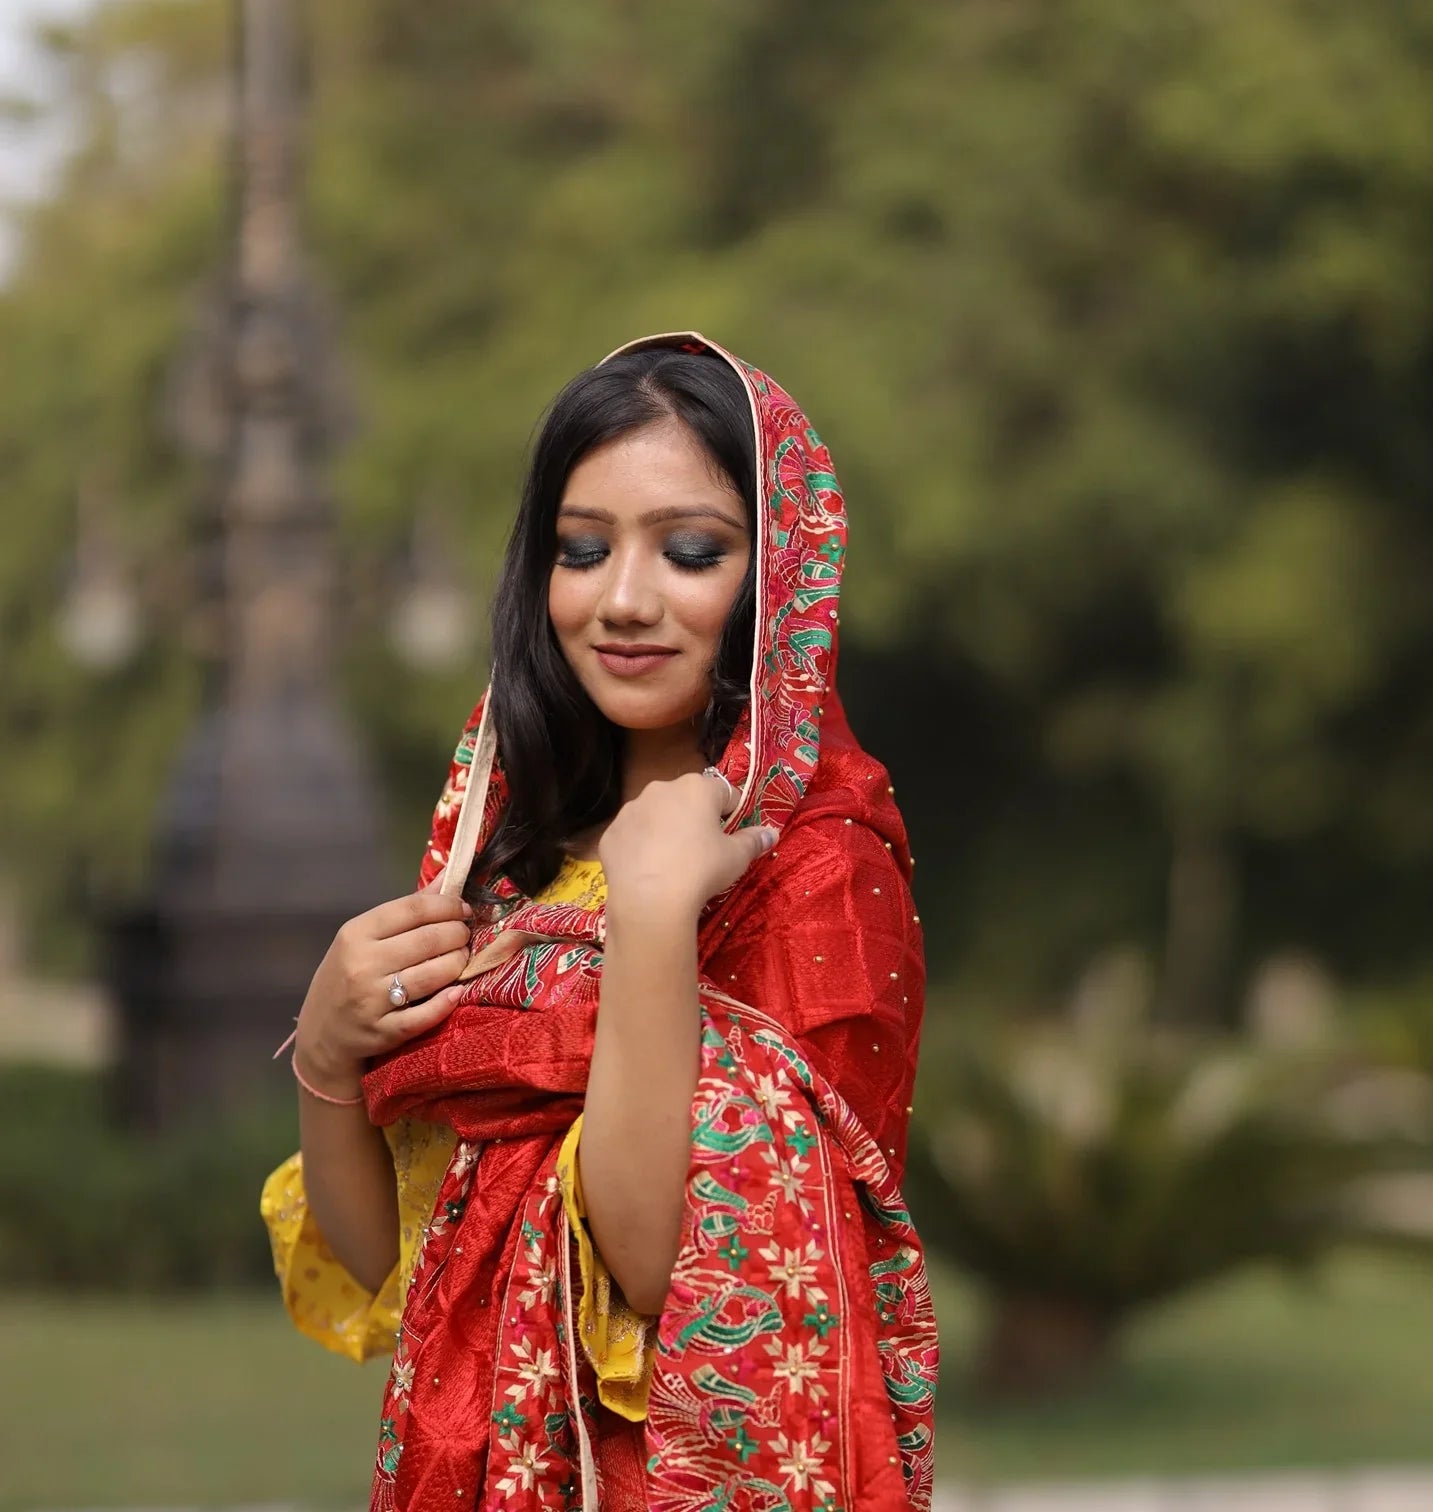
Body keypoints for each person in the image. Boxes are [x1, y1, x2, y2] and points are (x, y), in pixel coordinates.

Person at [261, 332, 937, 1511]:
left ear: (781, 579)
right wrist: (325, 1057)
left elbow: (664, 1268)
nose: (623, 601)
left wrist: (657, 916)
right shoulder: (508, 852)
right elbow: (401, 1267)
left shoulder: (816, 873)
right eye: (582, 549)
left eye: (690, 551)